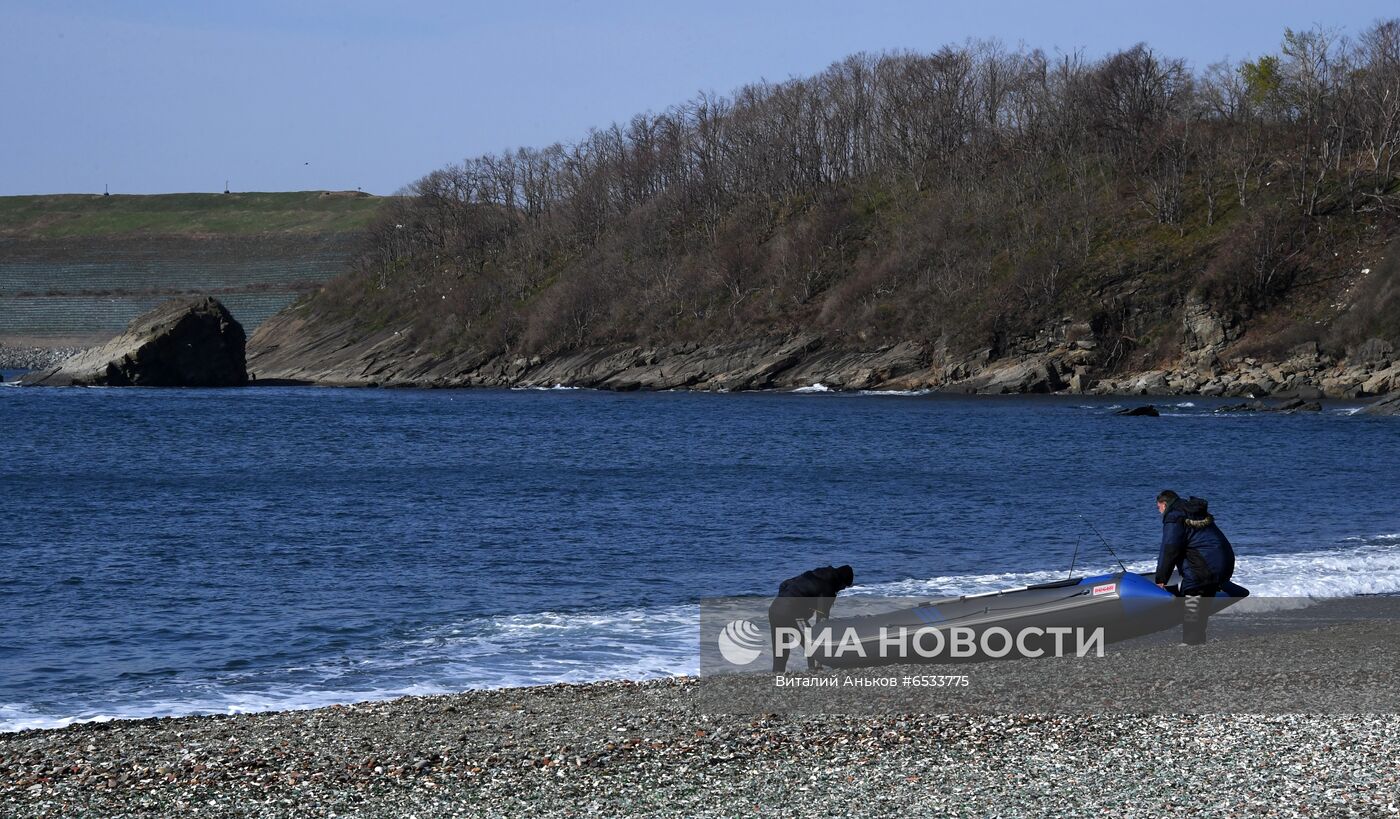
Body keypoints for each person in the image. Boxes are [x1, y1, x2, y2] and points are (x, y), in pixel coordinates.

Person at [1153, 490, 1236, 645]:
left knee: (1191, 594)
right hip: (1223, 562)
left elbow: (1170, 548)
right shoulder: (1193, 512)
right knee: (1203, 598)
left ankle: (1190, 641)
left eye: (1158, 508)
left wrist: (1161, 578)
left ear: (1164, 504)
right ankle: (1198, 639)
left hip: (1203, 565)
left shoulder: (1174, 517)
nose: (1159, 512)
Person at [768, 564, 854, 672]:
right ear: (841, 581)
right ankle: (813, 669)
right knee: (812, 641)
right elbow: (822, 620)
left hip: (775, 609)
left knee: (781, 651)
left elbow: (784, 584)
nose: (843, 588)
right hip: (791, 613)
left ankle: (777, 673)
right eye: (845, 586)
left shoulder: (814, 575)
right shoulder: (829, 588)